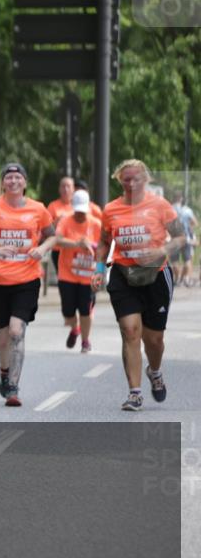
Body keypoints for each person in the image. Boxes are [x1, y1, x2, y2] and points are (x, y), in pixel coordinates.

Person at [92, 160, 185, 411]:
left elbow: (180, 237)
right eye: (126, 179)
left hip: (156, 275)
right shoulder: (111, 210)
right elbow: (103, 242)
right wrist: (99, 270)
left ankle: (154, 371)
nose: (130, 183)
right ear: (119, 180)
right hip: (124, 274)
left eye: (135, 178)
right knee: (130, 331)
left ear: (146, 179)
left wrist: (160, 250)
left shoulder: (160, 205)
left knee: (153, 340)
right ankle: (134, 393)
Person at [0, 163, 54, 407]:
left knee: (17, 331)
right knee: (3, 339)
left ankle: (14, 386)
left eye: (18, 177)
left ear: (25, 183)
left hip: (27, 279)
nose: (13, 181)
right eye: (9, 177)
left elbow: (53, 235)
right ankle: (5, 372)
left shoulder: (38, 209)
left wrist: (42, 248)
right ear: (3, 183)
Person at [54, 190, 101, 353]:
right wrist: (77, 244)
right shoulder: (65, 221)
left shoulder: (95, 224)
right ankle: (75, 328)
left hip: (88, 276)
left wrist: (92, 247)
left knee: (85, 311)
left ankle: (85, 341)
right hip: (67, 274)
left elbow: (105, 247)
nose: (80, 215)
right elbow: (58, 239)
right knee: (68, 313)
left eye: (83, 211)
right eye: (77, 211)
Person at [47, 176, 76, 274]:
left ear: (73, 189)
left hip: (75, 248)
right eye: (63, 186)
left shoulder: (79, 206)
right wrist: (56, 222)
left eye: (68, 186)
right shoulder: (53, 206)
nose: (66, 189)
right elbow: (47, 230)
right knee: (63, 278)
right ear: (59, 189)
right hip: (58, 249)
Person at [171, 190, 198, 287]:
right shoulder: (187, 210)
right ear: (181, 199)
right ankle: (186, 279)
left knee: (174, 262)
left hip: (174, 239)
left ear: (174, 199)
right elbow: (195, 222)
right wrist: (188, 228)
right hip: (186, 238)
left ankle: (177, 279)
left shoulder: (170, 209)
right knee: (188, 260)